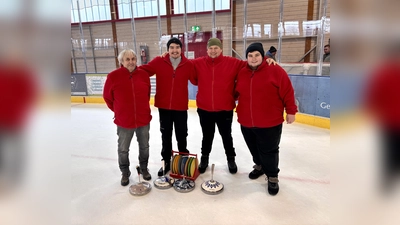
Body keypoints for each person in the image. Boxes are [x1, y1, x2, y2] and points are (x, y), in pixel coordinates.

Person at [191, 38, 276, 174]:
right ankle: (204, 158)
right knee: (207, 136)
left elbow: (251, 61)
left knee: (226, 136)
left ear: (221, 49)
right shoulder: (198, 63)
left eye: (216, 48)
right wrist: (167, 55)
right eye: (211, 48)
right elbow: (183, 64)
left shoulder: (232, 62)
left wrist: (267, 59)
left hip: (225, 109)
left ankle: (231, 159)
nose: (213, 51)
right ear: (207, 50)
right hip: (205, 109)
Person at [235, 42, 297, 195]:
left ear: (263, 56)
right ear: (247, 58)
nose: (253, 58)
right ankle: (260, 166)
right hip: (246, 121)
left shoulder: (275, 70)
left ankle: (273, 176)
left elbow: (287, 91)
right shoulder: (241, 72)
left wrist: (291, 111)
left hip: (270, 122)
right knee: (253, 148)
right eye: (250, 55)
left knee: (269, 151)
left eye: (257, 55)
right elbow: (235, 91)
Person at [140, 38, 195, 176]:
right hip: (164, 107)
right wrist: (128, 68)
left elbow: (197, 78)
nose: (174, 50)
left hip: (180, 107)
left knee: (182, 136)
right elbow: (144, 70)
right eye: (172, 47)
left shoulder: (188, 64)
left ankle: (183, 163)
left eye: (177, 47)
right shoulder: (159, 61)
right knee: (166, 136)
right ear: (168, 49)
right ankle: (166, 163)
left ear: (181, 49)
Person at [103, 49, 152, 186]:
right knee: (123, 149)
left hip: (143, 119)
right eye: (127, 59)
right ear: (121, 62)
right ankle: (125, 172)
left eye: (133, 59)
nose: (131, 62)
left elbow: (147, 95)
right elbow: (108, 98)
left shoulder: (143, 75)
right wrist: (119, 111)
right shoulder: (113, 76)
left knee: (145, 147)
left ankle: (144, 169)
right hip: (124, 121)